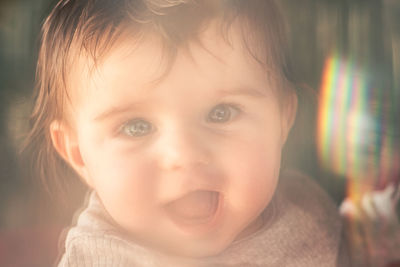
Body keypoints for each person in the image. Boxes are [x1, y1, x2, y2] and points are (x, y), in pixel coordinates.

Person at [26, 0, 350, 266]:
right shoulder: (98, 259)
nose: (185, 154)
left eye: (221, 113)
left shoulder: (308, 209)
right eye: (136, 126)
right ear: (79, 154)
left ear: (283, 119)